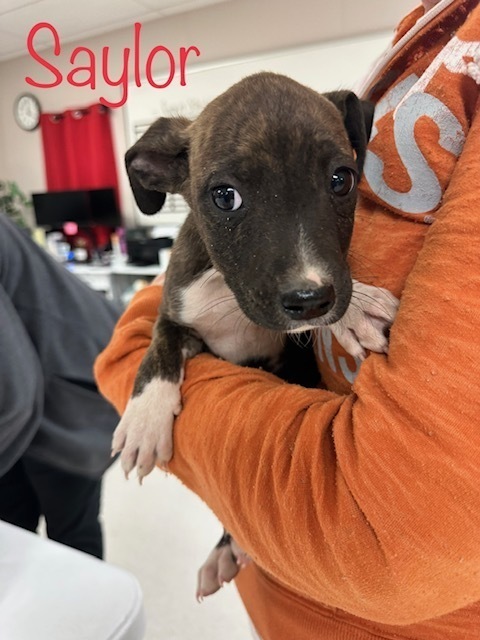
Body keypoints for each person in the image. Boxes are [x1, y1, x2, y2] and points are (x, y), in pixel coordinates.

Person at [95, 0, 480, 637]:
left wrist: (340, 305)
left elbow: (408, 537)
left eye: (338, 182)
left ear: (353, 144)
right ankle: (235, 534)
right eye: (227, 196)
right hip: (276, 588)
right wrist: (153, 381)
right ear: (164, 174)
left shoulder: (343, 120)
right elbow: (152, 331)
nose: (312, 278)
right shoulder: (430, 30)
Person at [0, 214, 120, 559]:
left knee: (72, 535)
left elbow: (15, 397)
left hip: (67, 386)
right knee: (13, 526)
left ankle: (88, 613)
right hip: (37, 385)